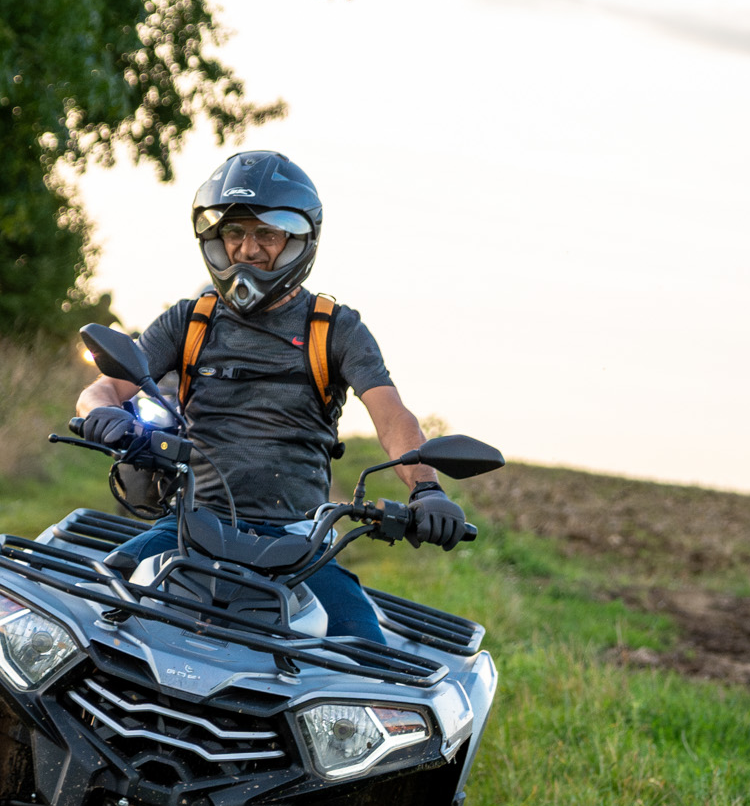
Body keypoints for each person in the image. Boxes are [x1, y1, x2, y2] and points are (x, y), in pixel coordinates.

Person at [69, 150, 465, 641]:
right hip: (190, 527)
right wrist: (102, 412)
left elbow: (391, 416)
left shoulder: (335, 328)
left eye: (266, 234)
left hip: (297, 543)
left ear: (298, 241)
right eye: (235, 233)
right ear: (216, 240)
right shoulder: (191, 320)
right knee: (87, 611)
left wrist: (425, 487)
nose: (248, 250)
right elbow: (103, 386)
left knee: (365, 650)